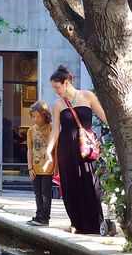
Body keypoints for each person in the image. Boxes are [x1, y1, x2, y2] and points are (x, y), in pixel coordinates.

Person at [43, 65, 107, 234]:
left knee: (90, 183)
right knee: (70, 185)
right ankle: (76, 223)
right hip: (66, 149)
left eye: (57, 87)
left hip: (84, 148)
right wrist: (49, 151)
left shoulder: (87, 96)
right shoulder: (58, 105)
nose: (56, 91)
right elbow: (56, 129)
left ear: (66, 83)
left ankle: (95, 223)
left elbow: (106, 118)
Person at [26, 101, 56, 226]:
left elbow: (55, 149)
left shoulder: (51, 128)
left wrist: (56, 166)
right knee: (37, 193)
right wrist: (30, 168)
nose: (36, 119)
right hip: (36, 167)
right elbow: (30, 149)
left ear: (45, 116)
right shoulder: (30, 131)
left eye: (39, 116)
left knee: (46, 193)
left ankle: (45, 217)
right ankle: (38, 215)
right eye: (34, 116)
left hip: (47, 167)